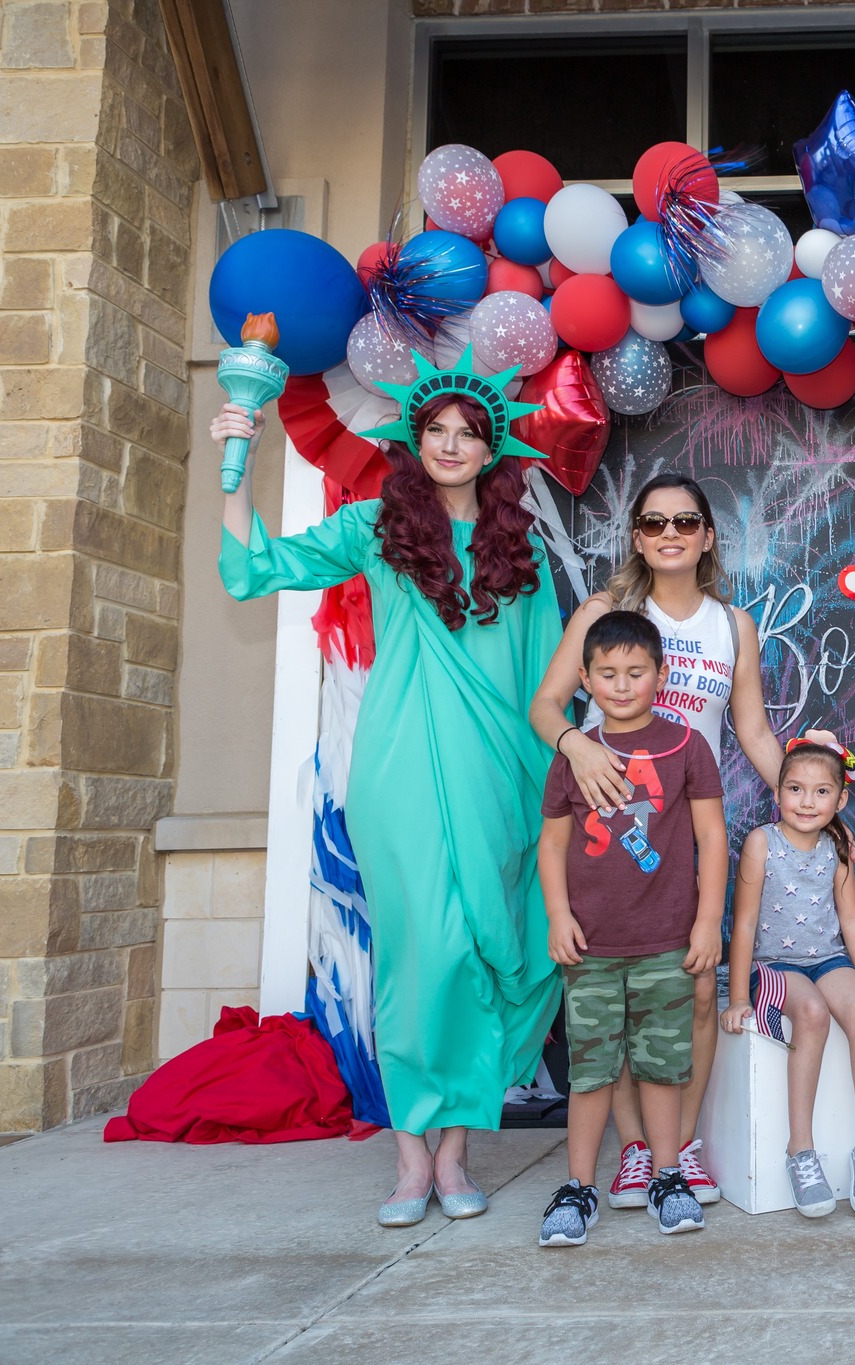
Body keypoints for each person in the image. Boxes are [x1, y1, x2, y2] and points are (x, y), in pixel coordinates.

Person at [210, 351, 563, 1227]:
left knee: (494, 957)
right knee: (422, 955)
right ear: (414, 437)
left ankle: (456, 1152)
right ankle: (413, 1158)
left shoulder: (520, 546)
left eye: (467, 434)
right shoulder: (374, 526)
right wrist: (237, 461)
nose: (450, 444)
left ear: (490, 450)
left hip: (501, 777)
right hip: (400, 771)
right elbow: (257, 570)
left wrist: (554, 776)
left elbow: (550, 672)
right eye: (436, 429)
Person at [529, 473, 839, 1210]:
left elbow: (754, 731)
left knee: (695, 989)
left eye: (686, 521)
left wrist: (809, 782)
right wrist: (579, 746)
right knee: (623, 996)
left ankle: (680, 1147)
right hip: (609, 832)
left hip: (687, 827)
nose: (670, 532)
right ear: (637, 536)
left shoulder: (731, 625)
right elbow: (545, 704)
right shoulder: (609, 612)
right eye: (655, 521)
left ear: (705, 536)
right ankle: (636, 1152)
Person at [533, 611, 728, 1246]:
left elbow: (712, 839)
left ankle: (667, 1175)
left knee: (662, 1066)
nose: (622, 685)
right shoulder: (575, 757)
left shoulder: (685, 747)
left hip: (666, 941)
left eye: (636, 672)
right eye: (608, 674)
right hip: (590, 946)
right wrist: (559, 916)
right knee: (591, 1068)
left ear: (661, 675)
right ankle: (579, 1186)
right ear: (584, 679)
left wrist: (706, 924)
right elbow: (551, 845)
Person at [720, 740, 855, 1218]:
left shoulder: (838, 846)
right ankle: (801, 1151)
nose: (806, 801)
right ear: (777, 792)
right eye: (795, 789)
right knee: (813, 1014)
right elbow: (744, 923)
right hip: (775, 965)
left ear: (840, 800)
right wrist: (739, 996)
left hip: (827, 958)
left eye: (821, 792)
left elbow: (853, 919)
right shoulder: (762, 842)